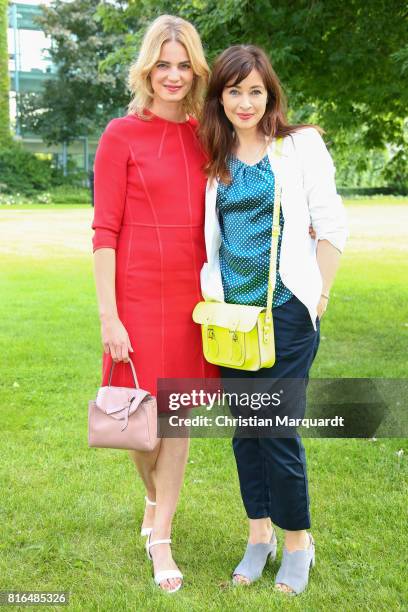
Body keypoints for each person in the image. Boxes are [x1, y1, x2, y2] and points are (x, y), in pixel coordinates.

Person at [199, 45, 348, 595]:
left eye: (254, 91)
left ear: (270, 94)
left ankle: (297, 543)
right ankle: (257, 535)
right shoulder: (212, 155)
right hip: (229, 319)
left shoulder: (299, 146)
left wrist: (322, 293)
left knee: (276, 431)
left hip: (285, 314)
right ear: (219, 96)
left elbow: (332, 224)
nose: (244, 101)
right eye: (233, 91)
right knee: (246, 434)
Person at [91, 15, 218, 594]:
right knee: (141, 421)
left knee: (178, 416)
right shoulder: (121, 134)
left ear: (196, 69)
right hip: (137, 295)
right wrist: (109, 315)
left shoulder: (209, 135)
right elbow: (105, 231)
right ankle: (151, 494)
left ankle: (161, 534)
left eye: (183, 63)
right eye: (162, 63)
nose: (173, 74)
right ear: (148, 67)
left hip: (193, 301)